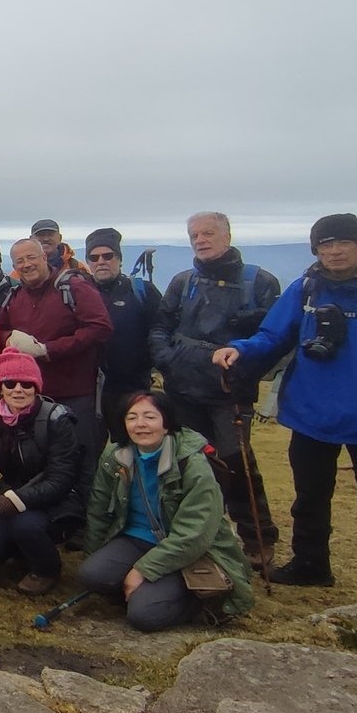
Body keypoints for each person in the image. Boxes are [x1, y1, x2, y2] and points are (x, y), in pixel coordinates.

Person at [215, 213, 357, 599]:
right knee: (309, 497)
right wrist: (240, 350)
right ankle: (311, 565)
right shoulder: (305, 289)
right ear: (316, 250)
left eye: (344, 243)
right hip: (311, 415)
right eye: (326, 244)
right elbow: (273, 335)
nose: (335, 251)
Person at [150, 212, 284, 566]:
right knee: (189, 462)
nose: (200, 240)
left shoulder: (260, 282)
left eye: (208, 233)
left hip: (230, 393)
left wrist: (243, 369)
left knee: (236, 461)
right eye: (194, 235)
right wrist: (167, 360)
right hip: (183, 389)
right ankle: (196, 531)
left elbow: (276, 339)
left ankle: (257, 536)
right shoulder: (183, 282)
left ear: (227, 235)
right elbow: (160, 327)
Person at [81, 391, 255, 631]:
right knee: (92, 574)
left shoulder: (191, 463)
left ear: (166, 424)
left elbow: (193, 534)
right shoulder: (115, 455)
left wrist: (142, 571)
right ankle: (148, 591)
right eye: (132, 417)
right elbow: (99, 511)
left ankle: (201, 600)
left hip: (188, 549)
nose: (140, 424)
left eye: (150, 417)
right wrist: (94, 556)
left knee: (144, 615)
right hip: (135, 539)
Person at [0, 350, 83, 595]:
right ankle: (21, 551)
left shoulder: (57, 420)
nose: (18, 390)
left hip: (55, 503)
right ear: (0, 388)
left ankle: (46, 569)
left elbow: (61, 478)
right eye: (10, 383)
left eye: (27, 384)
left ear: (37, 387)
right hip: (12, 495)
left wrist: (18, 500)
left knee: (25, 525)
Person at [0, 237, 111, 506]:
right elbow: (1, 328)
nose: (26, 265)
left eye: (31, 258)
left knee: (81, 458)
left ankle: (84, 517)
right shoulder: (15, 297)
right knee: (42, 462)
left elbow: (101, 327)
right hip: (34, 397)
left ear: (45, 257)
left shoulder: (74, 287)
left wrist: (49, 350)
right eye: (20, 261)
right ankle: (48, 516)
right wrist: (10, 339)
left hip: (76, 392)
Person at [83, 228, 160, 442]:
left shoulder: (141, 291)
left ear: (119, 259)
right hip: (89, 390)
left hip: (133, 388)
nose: (101, 262)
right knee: (92, 450)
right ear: (88, 262)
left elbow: (161, 331)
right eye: (94, 258)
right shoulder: (78, 293)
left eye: (108, 256)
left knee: (132, 445)